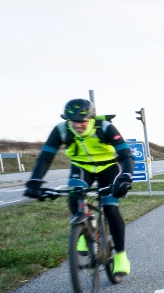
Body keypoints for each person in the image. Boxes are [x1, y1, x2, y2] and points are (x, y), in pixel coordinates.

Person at [23, 98, 135, 277]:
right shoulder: (61, 129)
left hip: (109, 167)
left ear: (90, 118)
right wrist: (35, 181)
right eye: (73, 121)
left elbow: (126, 154)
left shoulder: (104, 127)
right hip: (82, 167)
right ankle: (85, 228)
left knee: (110, 207)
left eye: (82, 121)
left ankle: (121, 256)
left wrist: (125, 177)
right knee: (74, 196)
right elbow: (45, 157)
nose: (77, 125)